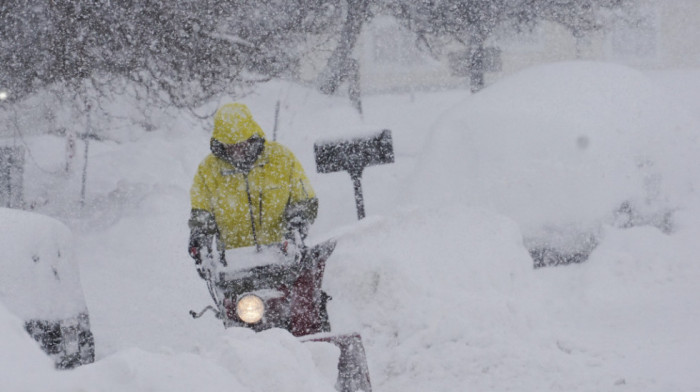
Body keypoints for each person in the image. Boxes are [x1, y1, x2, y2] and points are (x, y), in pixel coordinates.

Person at [188, 103, 318, 266]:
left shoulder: (281, 158)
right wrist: (200, 236)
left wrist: (297, 224)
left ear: (251, 137)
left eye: (242, 145)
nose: (237, 152)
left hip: (282, 258)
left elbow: (305, 200)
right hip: (234, 265)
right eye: (231, 147)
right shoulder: (208, 170)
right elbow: (202, 211)